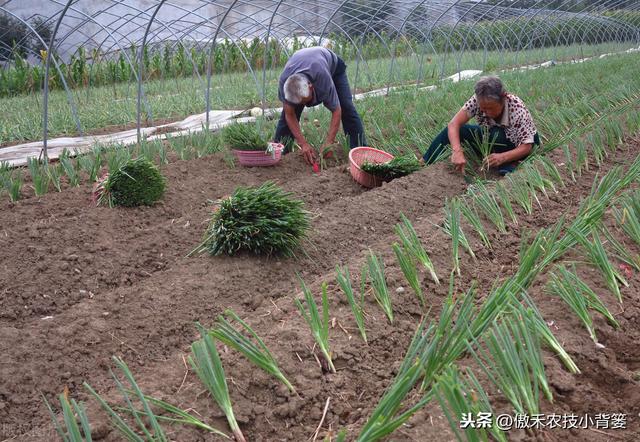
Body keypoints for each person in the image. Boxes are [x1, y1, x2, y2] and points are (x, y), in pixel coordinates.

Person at [422, 75, 540, 175]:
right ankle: (424, 162)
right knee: (459, 130)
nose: (485, 112)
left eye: (490, 108)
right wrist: (457, 151)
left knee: (496, 134)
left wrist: (502, 157)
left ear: (503, 98)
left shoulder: (516, 108)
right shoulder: (479, 100)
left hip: (517, 144)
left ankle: (509, 163)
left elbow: (526, 146)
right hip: (489, 137)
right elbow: (454, 124)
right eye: (482, 108)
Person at [274, 46, 367, 165]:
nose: (305, 105)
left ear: (311, 87)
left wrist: (329, 142)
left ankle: (360, 151)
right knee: (288, 115)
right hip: (303, 65)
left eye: (305, 100)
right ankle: (281, 155)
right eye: (301, 103)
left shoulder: (322, 78)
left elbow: (336, 110)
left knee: (346, 106)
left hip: (332, 67)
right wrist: (303, 144)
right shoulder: (285, 84)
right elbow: (289, 114)